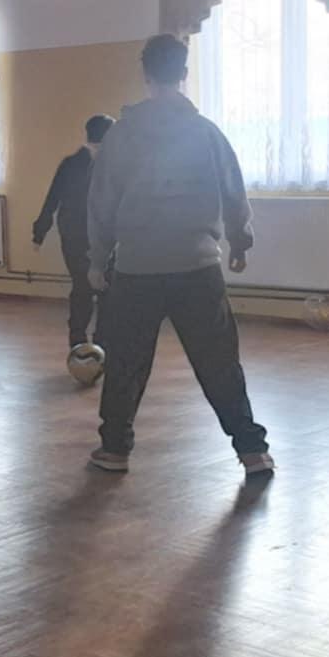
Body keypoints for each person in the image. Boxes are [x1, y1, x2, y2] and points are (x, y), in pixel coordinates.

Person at [85, 34, 271, 481]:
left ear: (145, 74)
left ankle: (114, 449)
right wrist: (240, 243)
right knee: (219, 362)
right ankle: (252, 452)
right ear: (184, 73)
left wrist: (96, 260)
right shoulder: (206, 133)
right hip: (197, 267)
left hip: (136, 269)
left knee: (126, 363)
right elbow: (233, 191)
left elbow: (101, 202)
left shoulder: (121, 135)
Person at [32, 114, 115, 348]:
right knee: (84, 286)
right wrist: (40, 231)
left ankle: (99, 341)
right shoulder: (73, 164)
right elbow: (53, 197)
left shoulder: (111, 164)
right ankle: (79, 339)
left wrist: (40, 232)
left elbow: (52, 198)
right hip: (77, 236)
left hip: (103, 237)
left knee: (105, 289)